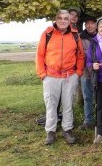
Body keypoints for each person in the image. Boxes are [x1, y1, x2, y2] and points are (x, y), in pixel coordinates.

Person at [36, 9, 84, 145]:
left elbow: (80, 55)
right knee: (51, 104)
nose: (63, 21)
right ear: (56, 19)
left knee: (68, 104)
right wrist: (42, 74)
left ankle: (67, 130)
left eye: (66, 18)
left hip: (70, 76)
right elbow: (40, 55)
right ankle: (50, 132)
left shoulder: (75, 35)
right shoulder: (47, 34)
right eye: (60, 18)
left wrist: (78, 72)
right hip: (51, 76)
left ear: (70, 21)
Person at [79, 16, 97, 130]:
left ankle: (101, 119)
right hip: (85, 72)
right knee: (87, 97)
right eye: (88, 23)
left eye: (92, 23)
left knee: (100, 97)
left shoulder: (101, 36)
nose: (90, 25)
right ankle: (88, 120)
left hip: (99, 72)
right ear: (85, 25)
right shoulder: (80, 38)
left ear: (96, 25)